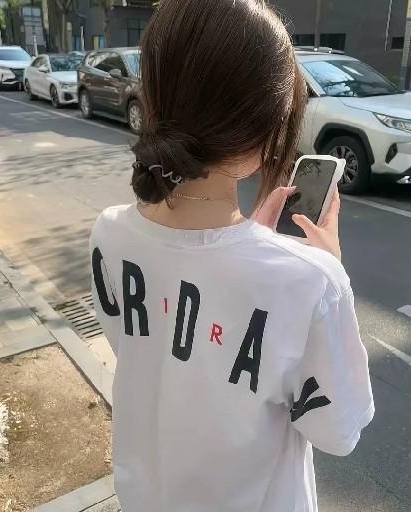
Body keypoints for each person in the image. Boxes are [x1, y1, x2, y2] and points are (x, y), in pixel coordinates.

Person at [90, 1, 374, 510]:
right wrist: (327, 268)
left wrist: (249, 251)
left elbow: (154, 348)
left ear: (152, 97)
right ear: (268, 125)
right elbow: (339, 431)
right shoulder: (310, 283)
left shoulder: (109, 234)